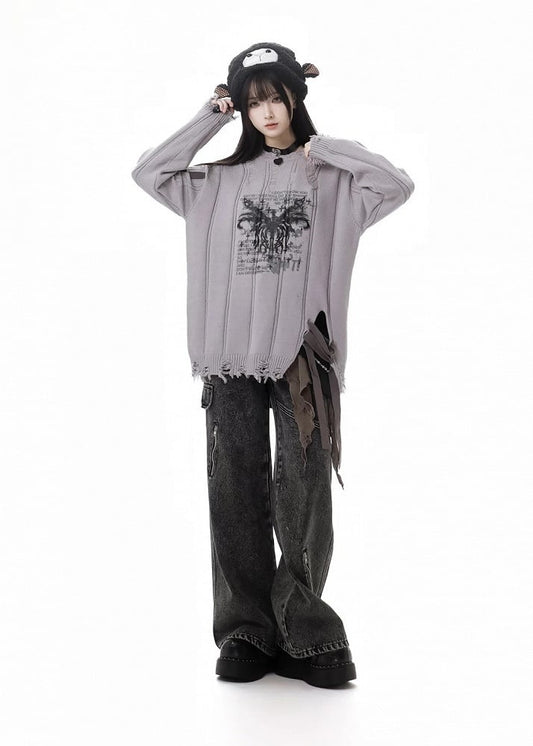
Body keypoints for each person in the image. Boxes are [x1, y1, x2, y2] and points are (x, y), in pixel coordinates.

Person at [131, 41, 415, 688]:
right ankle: (246, 631)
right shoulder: (211, 184)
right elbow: (150, 172)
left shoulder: (335, 181)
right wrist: (209, 114)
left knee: (303, 492)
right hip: (227, 354)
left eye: (276, 97)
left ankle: (307, 632)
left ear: (295, 98)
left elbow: (396, 185)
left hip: (303, 356)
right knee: (233, 489)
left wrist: (326, 148)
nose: (265, 111)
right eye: (252, 101)